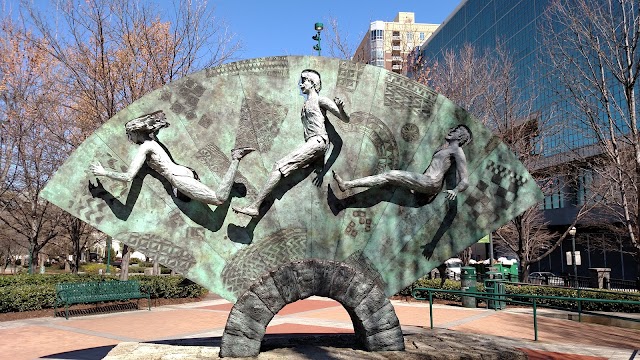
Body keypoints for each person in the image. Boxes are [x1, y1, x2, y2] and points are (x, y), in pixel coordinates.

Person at [233, 69, 349, 217]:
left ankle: (255, 206)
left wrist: (341, 109)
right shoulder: (305, 104)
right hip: (314, 145)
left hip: (318, 141)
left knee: (278, 166)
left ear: (313, 83)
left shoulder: (321, 100)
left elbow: (345, 120)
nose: (301, 84)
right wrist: (320, 165)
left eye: (304, 81)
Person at [90, 110, 254, 206]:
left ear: (135, 132)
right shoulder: (153, 142)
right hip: (183, 173)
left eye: (129, 134)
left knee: (219, 199)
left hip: (177, 178)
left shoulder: (146, 146)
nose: (129, 138)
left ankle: (236, 158)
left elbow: (128, 176)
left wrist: (104, 172)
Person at [333, 125, 471, 200]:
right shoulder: (445, 147)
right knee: (389, 179)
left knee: (390, 175)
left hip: (431, 183)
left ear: (460, 137)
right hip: (425, 182)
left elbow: (465, 180)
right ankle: (348, 184)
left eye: (456, 131)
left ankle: (347, 185)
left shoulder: (458, 152)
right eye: (453, 129)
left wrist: (455, 191)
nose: (452, 130)